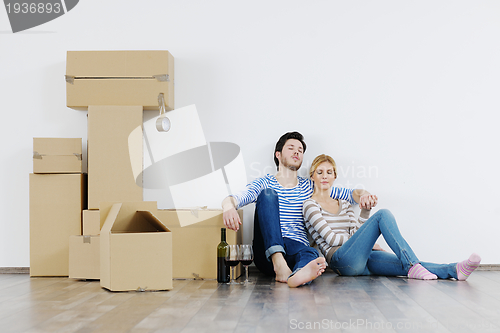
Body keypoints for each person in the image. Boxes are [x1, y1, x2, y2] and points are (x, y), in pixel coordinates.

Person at [221, 132, 378, 287]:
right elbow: (235, 198)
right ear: (278, 154)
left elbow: (351, 194)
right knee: (268, 195)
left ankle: (296, 275)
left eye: (300, 150)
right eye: (291, 148)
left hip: (295, 249)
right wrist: (228, 207)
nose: (297, 151)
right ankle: (278, 262)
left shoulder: (310, 186)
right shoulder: (265, 183)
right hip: (267, 254)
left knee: (311, 253)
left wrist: (365, 195)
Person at [303, 154, 481, 281]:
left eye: (328, 172)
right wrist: (367, 240)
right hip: (342, 261)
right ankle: (412, 265)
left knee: (403, 264)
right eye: (319, 172)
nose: (324, 176)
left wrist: (365, 213)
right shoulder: (310, 205)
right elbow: (331, 239)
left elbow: (357, 232)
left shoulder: (345, 203)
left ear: (335, 176)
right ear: (312, 176)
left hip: (363, 257)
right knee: (383, 215)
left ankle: (455, 270)